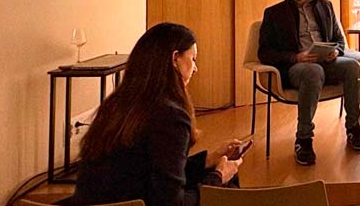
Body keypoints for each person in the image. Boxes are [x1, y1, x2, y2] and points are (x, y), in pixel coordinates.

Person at [71, 23, 242, 206]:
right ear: (175, 58)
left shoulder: (116, 104)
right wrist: (218, 177)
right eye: (193, 59)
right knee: (227, 189)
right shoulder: (171, 116)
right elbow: (169, 202)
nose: (195, 68)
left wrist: (207, 160)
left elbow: (151, 170)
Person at [258, 0, 360, 164]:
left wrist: (336, 51)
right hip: (297, 67)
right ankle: (303, 139)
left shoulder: (325, 6)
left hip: (327, 61)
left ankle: (354, 129)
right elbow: (264, 52)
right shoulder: (275, 13)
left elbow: (339, 41)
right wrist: (295, 57)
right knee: (313, 71)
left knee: (352, 66)